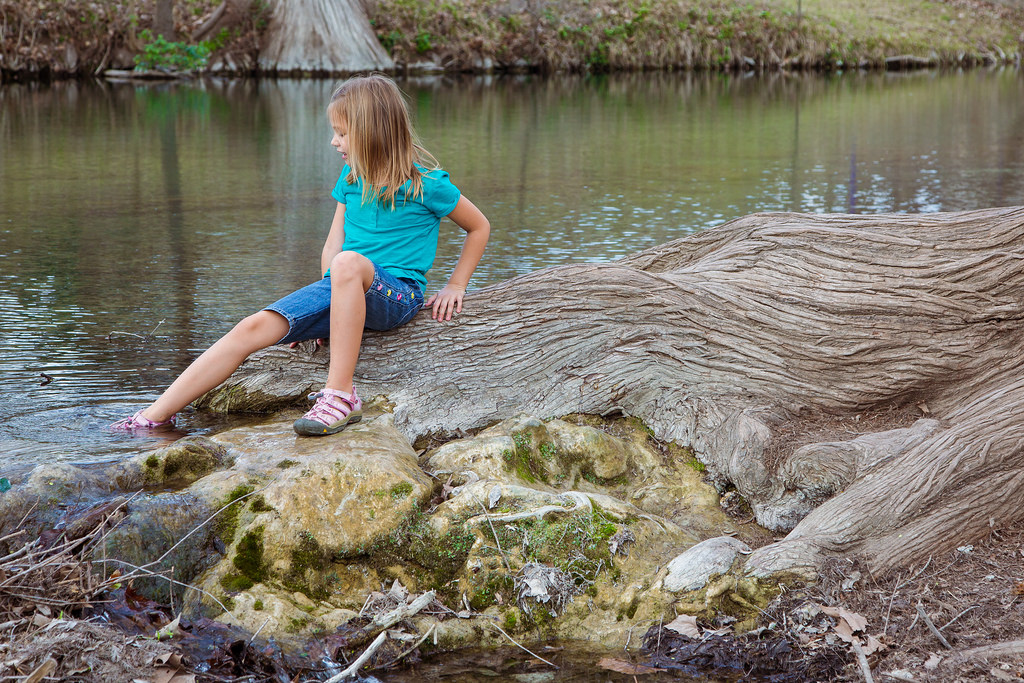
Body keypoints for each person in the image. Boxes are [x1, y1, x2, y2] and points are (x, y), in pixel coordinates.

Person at [111, 74, 490, 436]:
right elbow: (331, 245)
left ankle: (341, 395)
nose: (333, 141)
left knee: (347, 262)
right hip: (345, 285)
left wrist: (456, 285)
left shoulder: (426, 185)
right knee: (252, 326)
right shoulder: (351, 180)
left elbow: (479, 227)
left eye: (342, 133)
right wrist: (328, 309)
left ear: (373, 133)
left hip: (398, 296)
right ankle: (153, 416)